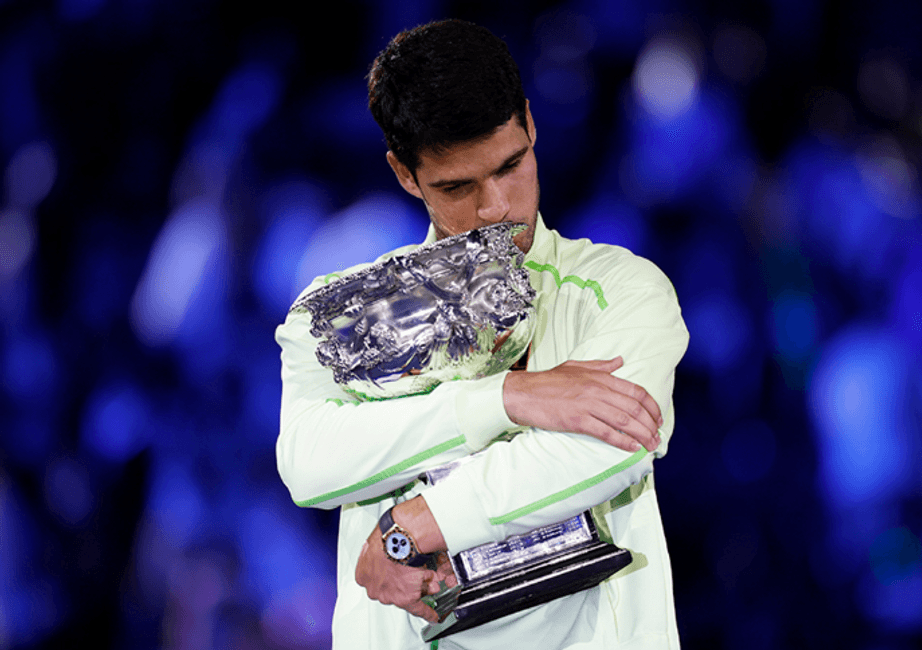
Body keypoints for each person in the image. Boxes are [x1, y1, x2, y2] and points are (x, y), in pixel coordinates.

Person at [275, 19, 689, 650]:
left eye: (510, 165)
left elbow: (614, 444)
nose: (496, 207)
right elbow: (310, 464)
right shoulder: (339, 313)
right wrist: (503, 399)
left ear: (530, 124)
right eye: (457, 186)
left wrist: (412, 526)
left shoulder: (624, 289)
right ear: (404, 174)